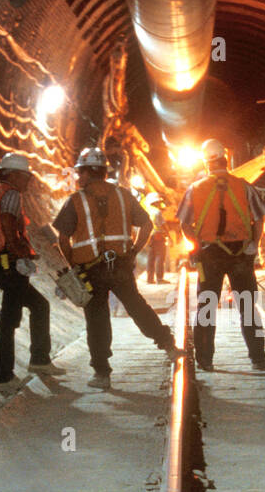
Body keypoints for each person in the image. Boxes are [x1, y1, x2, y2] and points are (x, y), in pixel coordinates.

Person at [54, 147, 182, 390]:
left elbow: (62, 239)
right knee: (137, 306)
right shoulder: (124, 196)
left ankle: (102, 374)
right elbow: (146, 225)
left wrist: (73, 267)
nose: (78, 177)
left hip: (89, 270)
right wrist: (133, 251)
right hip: (120, 265)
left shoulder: (76, 200)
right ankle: (169, 346)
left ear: (89, 173)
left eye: (80, 172)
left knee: (97, 319)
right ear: (103, 171)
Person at [0, 153, 64, 394]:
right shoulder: (10, 194)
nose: (28, 182)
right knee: (9, 319)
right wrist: (20, 254)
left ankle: (39, 360)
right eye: (25, 176)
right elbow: (8, 225)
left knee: (38, 306)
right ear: (12, 175)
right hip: (9, 263)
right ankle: (3, 376)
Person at [179, 138, 265, 373]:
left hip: (209, 255)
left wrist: (196, 243)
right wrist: (254, 243)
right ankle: (258, 359)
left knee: (207, 306)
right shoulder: (244, 186)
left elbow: (184, 223)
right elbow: (260, 218)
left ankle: (205, 360)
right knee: (248, 307)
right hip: (241, 253)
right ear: (226, 158)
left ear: (206, 163)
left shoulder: (195, 189)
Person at [144, 194, 168, 284]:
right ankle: (159, 279)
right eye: (158, 202)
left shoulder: (146, 211)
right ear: (156, 202)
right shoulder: (157, 212)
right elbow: (163, 225)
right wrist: (168, 235)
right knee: (159, 257)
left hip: (149, 237)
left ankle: (149, 279)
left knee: (150, 257)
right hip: (158, 236)